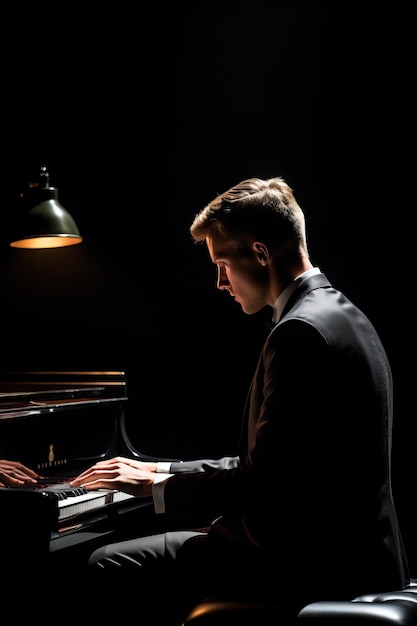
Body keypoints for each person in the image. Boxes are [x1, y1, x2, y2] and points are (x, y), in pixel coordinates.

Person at [70, 176, 409, 624]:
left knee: (108, 561)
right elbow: (277, 467)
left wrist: (154, 487)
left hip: (312, 565)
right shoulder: (342, 313)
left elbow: (259, 486)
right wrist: (160, 470)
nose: (219, 282)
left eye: (222, 264)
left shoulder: (298, 334)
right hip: (356, 552)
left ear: (260, 253)